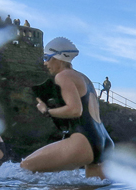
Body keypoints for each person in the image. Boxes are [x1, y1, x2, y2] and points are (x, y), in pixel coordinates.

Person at [20, 37, 113, 178]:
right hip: (103, 141)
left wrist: (47, 111)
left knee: (25, 167)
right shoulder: (84, 78)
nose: (45, 63)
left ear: (58, 58)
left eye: (47, 58)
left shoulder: (63, 76)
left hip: (83, 140)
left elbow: (75, 110)